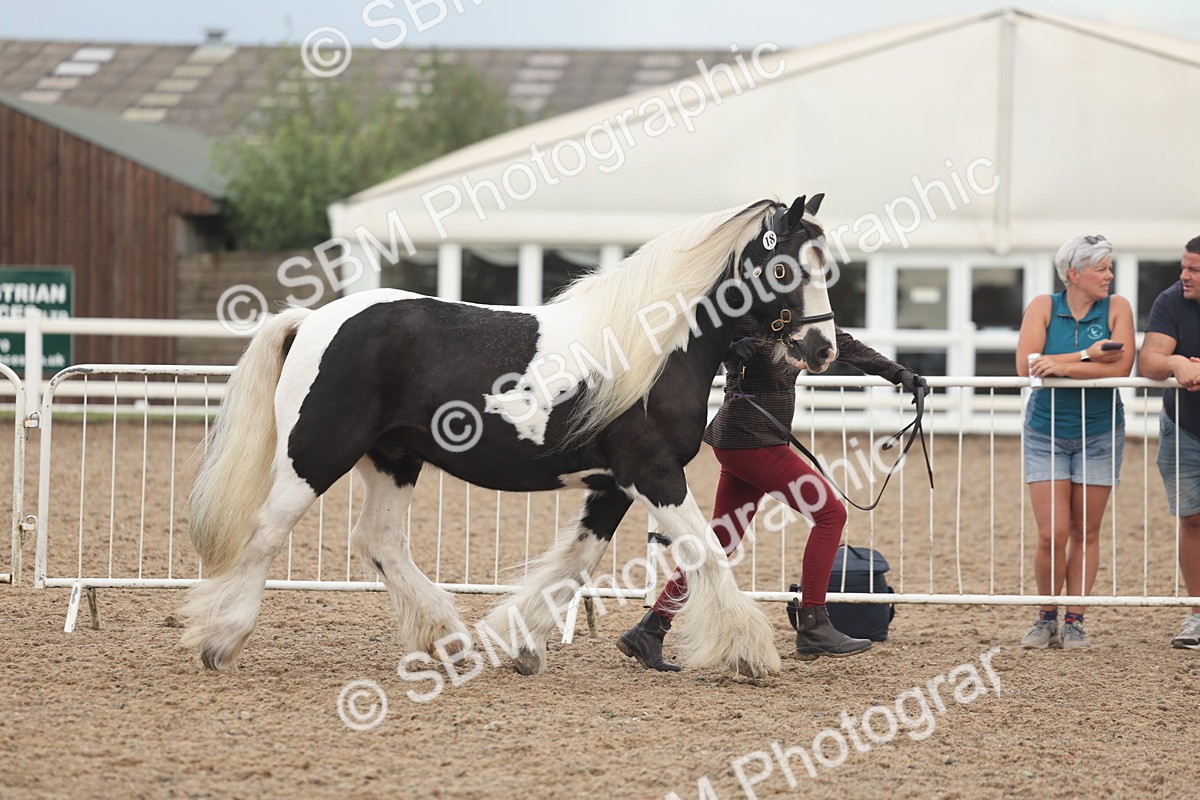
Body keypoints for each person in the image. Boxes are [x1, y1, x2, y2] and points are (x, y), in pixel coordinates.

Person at [617, 317, 927, 670]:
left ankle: (650, 628)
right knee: (830, 514)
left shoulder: (800, 316)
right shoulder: (750, 314)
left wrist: (900, 374)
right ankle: (813, 623)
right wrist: (731, 353)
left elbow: (845, 344)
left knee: (722, 540)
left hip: (752, 438)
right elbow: (704, 339)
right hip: (751, 438)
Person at [1015, 234, 1135, 651]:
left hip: (1100, 431)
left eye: (1109, 267)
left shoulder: (1118, 307)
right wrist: (1087, 357)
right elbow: (1027, 365)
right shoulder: (1043, 306)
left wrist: (1061, 365)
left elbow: (1120, 367)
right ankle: (1046, 617)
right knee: (1052, 533)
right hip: (1045, 430)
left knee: (1087, 530)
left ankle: (1075, 620)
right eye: (1101, 268)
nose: (1109, 275)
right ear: (1075, 274)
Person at [1136, 235, 1200, 650]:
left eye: (1193, 269)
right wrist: (1176, 361)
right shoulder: (1171, 300)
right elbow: (1149, 361)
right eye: (1184, 266)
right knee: (1193, 521)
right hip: (1184, 427)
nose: (1183, 275)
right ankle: (1198, 614)